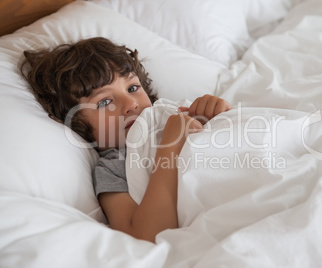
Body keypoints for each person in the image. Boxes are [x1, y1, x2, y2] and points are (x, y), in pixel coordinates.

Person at [19, 37, 232, 243]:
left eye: (132, 88)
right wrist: (171, 145)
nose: (130, 103)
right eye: (104, 102)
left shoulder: (176, 112)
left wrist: (220, 114)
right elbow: (144, 236)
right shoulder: (112, 169)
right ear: (76, 124)